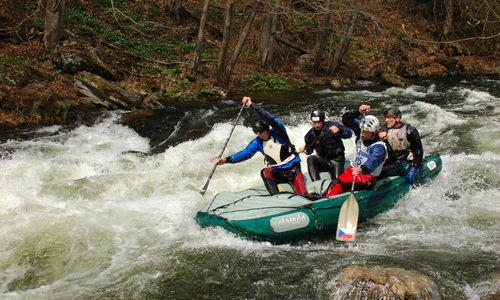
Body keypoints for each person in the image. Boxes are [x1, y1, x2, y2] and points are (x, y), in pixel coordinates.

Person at [214, 96, 308, 196]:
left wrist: (252, 105)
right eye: (258, 133)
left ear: (268, 128)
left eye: (262, 132)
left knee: (304, 196)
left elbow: (270, 118)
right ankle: (275, 196)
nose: (260, 135)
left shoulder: (279, 133)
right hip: (277, 172)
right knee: (265, 171)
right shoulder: (258, 142)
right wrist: (226, 160)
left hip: (293, 169)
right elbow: (245, 153)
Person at [324, 104, 387, 197]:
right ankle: (323, 198)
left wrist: (362, 169)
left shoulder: (378, 147)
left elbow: (373, 161)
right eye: (362, 131)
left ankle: (326, 203)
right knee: (335, 183)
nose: (363, 134)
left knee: (337, 183)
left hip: (368, 178)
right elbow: (345, 119)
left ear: (375, 132)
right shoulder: (361, 131)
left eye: (367, 132)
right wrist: (358, 112)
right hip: (353, 171)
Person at [298, 109, 352, 181]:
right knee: (311, 158)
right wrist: (306, 150)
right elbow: (310, 150)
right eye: (314, 122)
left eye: (319, 122)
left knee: (336, 183)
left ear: (323, 120)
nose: (316, 125)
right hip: (323, 161)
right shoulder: (310, 135)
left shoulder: (333, 125)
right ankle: (316, 183)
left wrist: (340, 130)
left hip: (336, 160)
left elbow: (349, 134)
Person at [378, 107, 424, 185]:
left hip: (405, 161)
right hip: (391, 160)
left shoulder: (410, 131)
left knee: (381, 172)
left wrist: (414, 168)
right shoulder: (384, 128)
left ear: (398, 119)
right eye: (385, 118)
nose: (386, 120)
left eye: (389, 118)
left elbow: (418, 151)